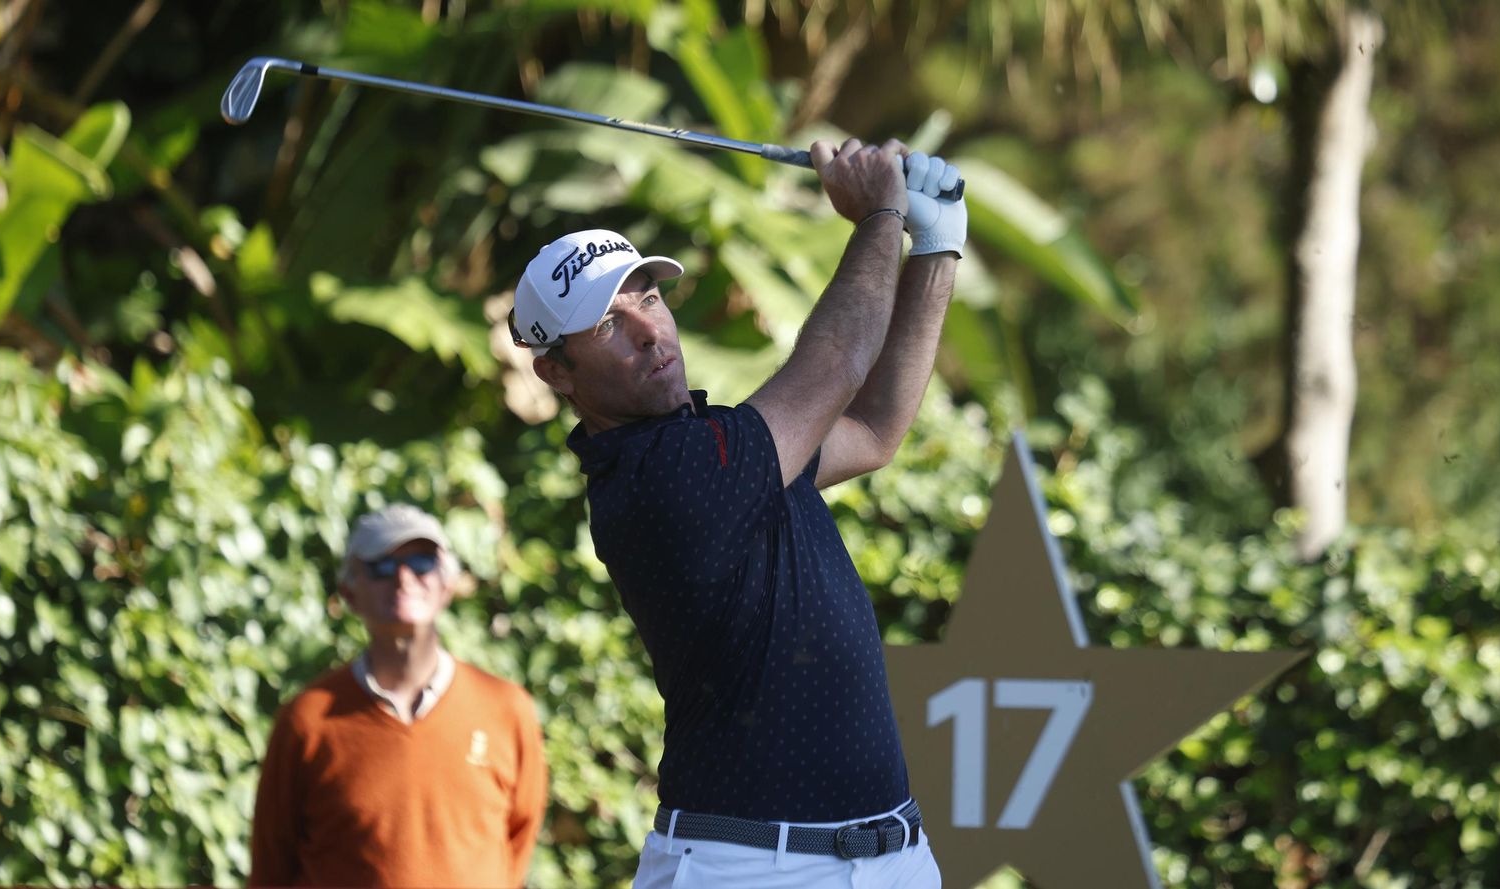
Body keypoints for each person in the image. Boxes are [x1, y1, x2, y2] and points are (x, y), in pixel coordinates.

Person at [510, 139, 964, 888]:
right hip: (749, 867)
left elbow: (877, 427)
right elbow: (839, 362)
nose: (650, 330)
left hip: (892, 857)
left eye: (648, 297)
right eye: (606, 325)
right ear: (556, 371)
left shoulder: (719, 448)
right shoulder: (661, 479)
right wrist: (882, 213)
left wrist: (937, 246)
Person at [248, 503, 547, 888]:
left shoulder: (506, 708)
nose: (404, 578)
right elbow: (272, 863)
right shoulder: (309, 718)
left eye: (422, 563)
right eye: (381, 567)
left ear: (447, 585)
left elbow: (518, 841)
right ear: (349, 593)